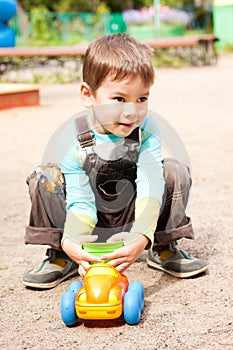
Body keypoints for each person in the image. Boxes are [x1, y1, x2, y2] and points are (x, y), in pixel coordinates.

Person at [23, 33, 207, 289]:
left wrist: (141, 235)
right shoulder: (73, 137)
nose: (132, 110)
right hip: (90, 217)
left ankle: (162, 245)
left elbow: (150, 183)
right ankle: (63, 253)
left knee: (174, 171)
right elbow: (80, 200)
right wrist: (73, 239)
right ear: (88, 95)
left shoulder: (146, 130)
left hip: (132, 213)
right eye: (119, 99)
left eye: (142, 98)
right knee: (45, 176)